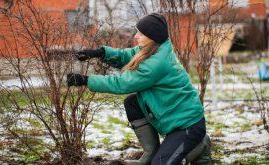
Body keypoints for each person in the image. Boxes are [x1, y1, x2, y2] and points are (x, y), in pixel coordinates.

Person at [66, 13, 211, 165]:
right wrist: (100, 53)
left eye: (140, 33)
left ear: (151, 36)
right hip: (176, 119)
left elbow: (121, 84)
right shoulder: (156, 48)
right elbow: (126, 55)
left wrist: (86, 80)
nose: (136, 36)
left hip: (188, 126)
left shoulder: (156, 64)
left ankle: (199, 146)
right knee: (133, 103)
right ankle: (151, 153)